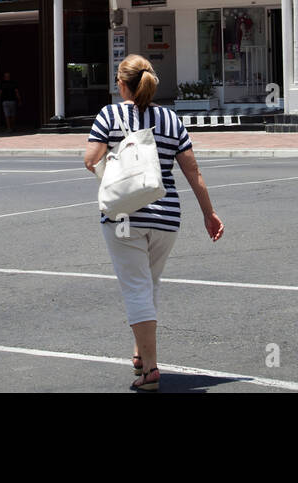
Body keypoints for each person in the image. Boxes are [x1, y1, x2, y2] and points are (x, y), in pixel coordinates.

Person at [83, 54, 224, 393]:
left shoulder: (110, 114)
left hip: (123, 217)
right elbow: (193, 171)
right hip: (166, 217)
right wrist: (209, 213)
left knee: (135, 288)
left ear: (121, 83)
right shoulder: (171, 119)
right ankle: (138, 352)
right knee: (149, 284)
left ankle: (150, 369)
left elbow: (90, 160)